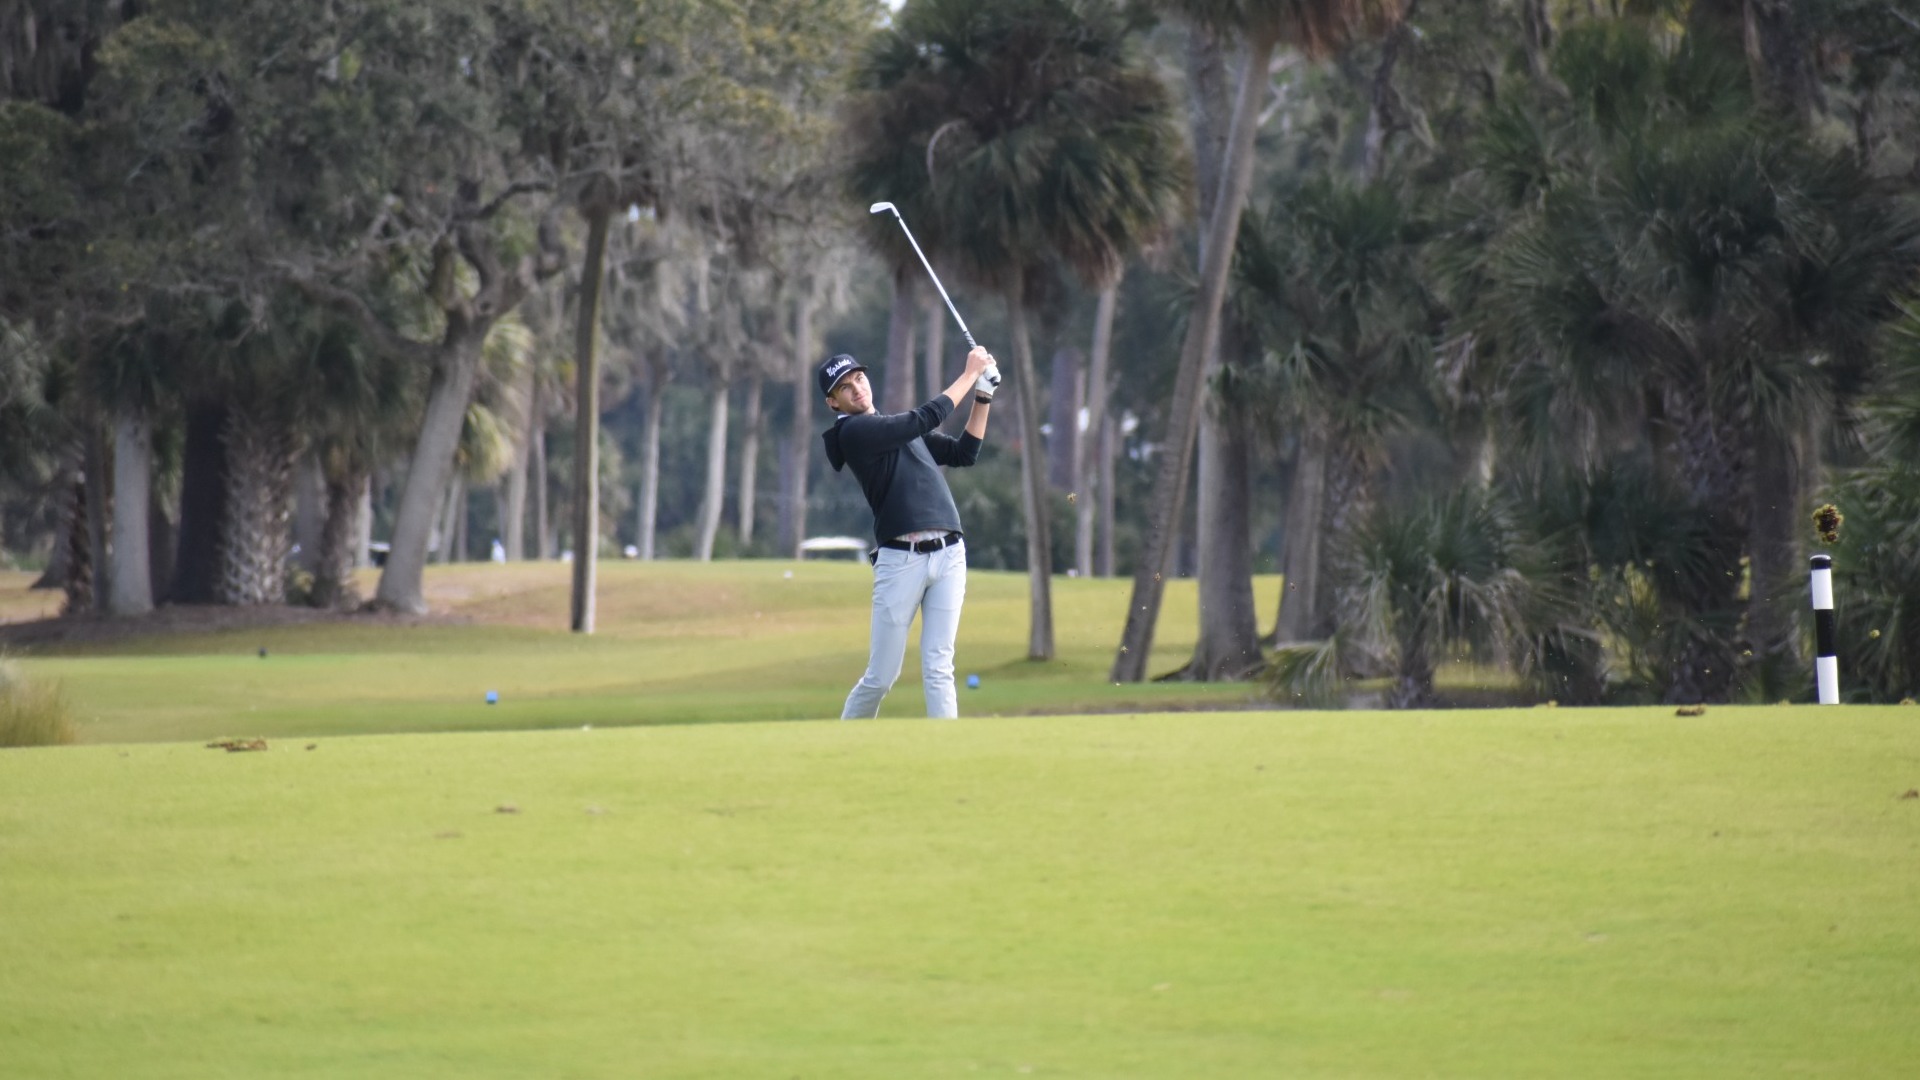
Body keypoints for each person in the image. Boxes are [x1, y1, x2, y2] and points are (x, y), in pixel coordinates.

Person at [820, 345, 1001, 719]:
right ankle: (842, 747)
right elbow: (924, 418)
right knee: (882, 677)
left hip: (950, 553)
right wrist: (969, 374)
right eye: (845, 387)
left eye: (859, 378)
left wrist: (983, 395)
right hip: (901, 561)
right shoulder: (854, 433)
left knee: (939, 667)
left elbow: (964, 453)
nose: (857, 388)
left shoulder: (893, 428)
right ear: (833, 403)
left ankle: (946, 760)